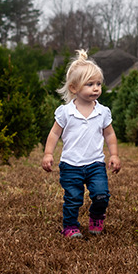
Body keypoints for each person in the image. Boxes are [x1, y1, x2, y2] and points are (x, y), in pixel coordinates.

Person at [41, 50, 121, 238]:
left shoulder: (102, 112)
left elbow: (109, 134)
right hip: (70, 165)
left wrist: (114, 155)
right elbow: (54, 133)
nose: (96, 88)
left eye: (98, 84)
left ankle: (97, 215)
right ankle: (70, 226)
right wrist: (48, 153)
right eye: (90, 84)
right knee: (73, 199)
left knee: (101, 195)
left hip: (95, 164)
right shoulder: (65, 112)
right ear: (74, 88)